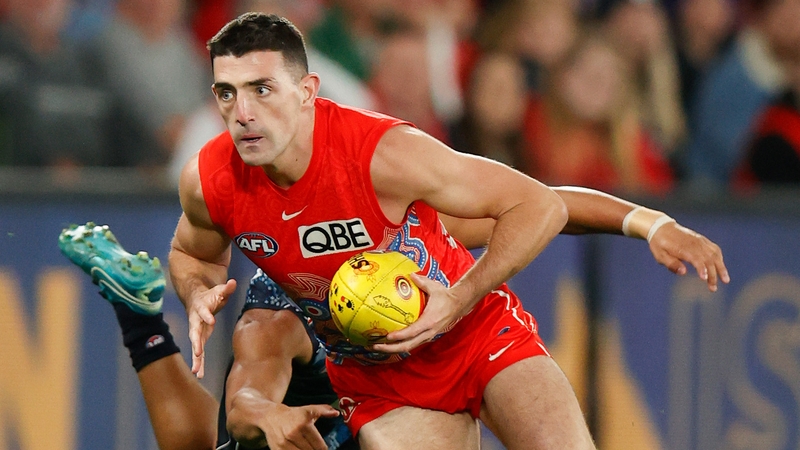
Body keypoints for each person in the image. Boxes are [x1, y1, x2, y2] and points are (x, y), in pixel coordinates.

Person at [169, 13, 729, 450]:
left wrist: (651, 222)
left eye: (261, 89)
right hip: (380, 383)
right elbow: (192, 255)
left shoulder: (383, 158)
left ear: (309, 90)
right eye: (226, 93)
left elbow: (537, 204)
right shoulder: (212, 183)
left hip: (477, 336)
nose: (241, 112)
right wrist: (195, 292)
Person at [58, 222, 357, 450]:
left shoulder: (400, 283)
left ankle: (140, 321)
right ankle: (141, 324)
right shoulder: (277, 318)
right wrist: (269, 415)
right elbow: (242, 407)